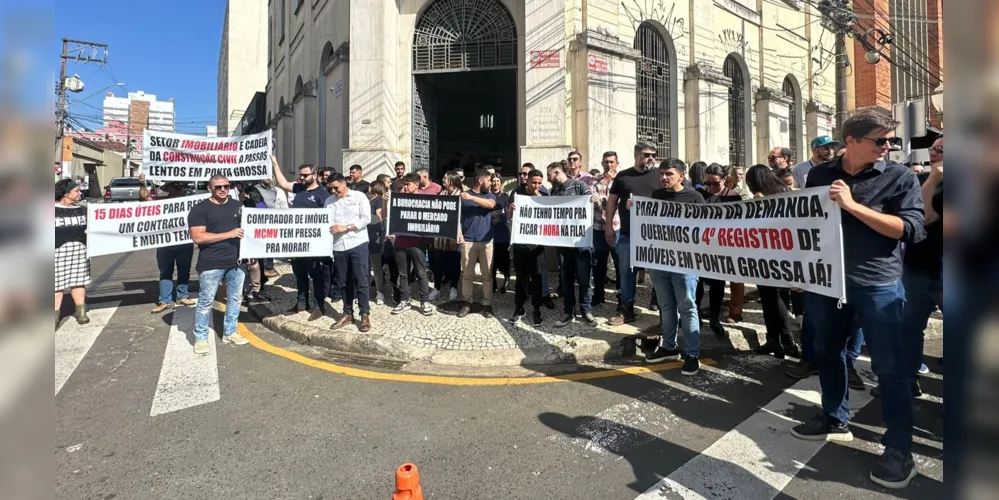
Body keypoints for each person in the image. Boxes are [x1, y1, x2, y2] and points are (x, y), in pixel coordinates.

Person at [790, 109, 925, 490]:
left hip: (878, 286)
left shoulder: (898, 177)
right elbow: (808, 223)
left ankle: (899, 450)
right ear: (851, 142)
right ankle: (834, 416)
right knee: (828, 352)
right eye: (879, 140)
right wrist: (799, 268)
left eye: (890, 141)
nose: (887, 148)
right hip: (829, 284)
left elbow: (910, 230)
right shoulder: (819, 175)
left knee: (890, 368)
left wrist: (852, 205)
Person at [874, 135, 943, 397]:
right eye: (934, 148)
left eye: (944, 149)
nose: (936, 153)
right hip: (917, 268)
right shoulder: (920, 180)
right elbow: (920, 217)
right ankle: (906, 379)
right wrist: (933, 179)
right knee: (909, 329)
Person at [644, 159, 704, 375]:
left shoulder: (694, 197)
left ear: (681, 175)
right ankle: (669, 347)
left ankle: (692, 354)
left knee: (687, 308)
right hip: (660, 261)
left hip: (685, 263)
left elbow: (703, 230)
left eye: (668, 173)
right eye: (661, 174)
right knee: (666, 307)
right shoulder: (657, 196)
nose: (664, 178)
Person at [743, 165, 801, 359]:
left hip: (774, 255)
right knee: (770, 299)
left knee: (775, 298)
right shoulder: (778, 194)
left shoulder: (775, 197)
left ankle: (787, 340)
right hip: (768, 255)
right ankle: (773, 340)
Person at [187, 175, 248, 355]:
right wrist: (229, 234)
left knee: (235, 299)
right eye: (218, 187)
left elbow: (248, 230)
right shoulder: (200, 209)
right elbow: (198, 236)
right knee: (206, 302)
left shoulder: (238, 206)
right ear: (209, 189)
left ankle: (230, 332)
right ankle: (201, 337)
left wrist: (250, 252)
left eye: (226, 186)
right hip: (211, 262)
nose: (223, 190)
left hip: (236, 261)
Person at [605, 142, 660, 325]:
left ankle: (662, 307)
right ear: (636, 155)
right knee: (627, 273)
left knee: (658, 273)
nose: (651, 158)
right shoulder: (623, 176)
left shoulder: (661, 175)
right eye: (646, 154)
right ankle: (626, 310)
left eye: (653, 154)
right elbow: (612, 201)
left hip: (655, 237)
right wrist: (609, 226)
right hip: (628, 235)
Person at [273, 159, 332, 321]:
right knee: (299, 273)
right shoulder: (299, 188)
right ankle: (301, 303)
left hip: (314, 244)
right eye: (300, 175)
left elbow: (328, 219)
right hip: (297, 242)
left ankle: (319, 305)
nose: (301, 178)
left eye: (305, 175)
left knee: (316, 275)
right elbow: (283, 183)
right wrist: (275, 163)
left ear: (314, 175)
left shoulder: (323, 194)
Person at [546, 162, 597, 328]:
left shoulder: (580, 185)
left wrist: (596, 201)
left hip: (582, 244)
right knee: (566, 279)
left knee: (584, 279)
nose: (548, 179)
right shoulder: (554, 191)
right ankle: (569, 312)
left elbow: (594, 207)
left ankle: (586, 311)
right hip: (563, 245)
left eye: (549, 175)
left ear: (558, 172)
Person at [138, 174, 196, 313]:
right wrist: (142, 184)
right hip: (165, 243)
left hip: (184, 241)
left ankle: (182, 295)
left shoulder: (190, 202)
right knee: (165, 272)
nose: (177, 190)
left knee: (184, 269)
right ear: (169, 189)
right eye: (174, 187)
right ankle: (165, 300)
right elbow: (145, 198)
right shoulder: (161, 202)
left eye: (179, 188)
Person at [325, 174, 373, 331]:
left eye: (335, 187)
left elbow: (366, 218)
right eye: (330, 188)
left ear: (344, 184)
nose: (333, 191)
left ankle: (364, 314)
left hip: (357, 242)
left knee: (361, 279)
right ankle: (347, 313)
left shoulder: (359, 197)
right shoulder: (329, 202)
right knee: (344, 282)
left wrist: (346, 227)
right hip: (338, 245)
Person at [695, 164, 738, 337]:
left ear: (725, 180)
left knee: (717, 285)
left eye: (715, 183)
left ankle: (714, 318)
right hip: (699, 246)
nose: (710, 187)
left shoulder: (733, 197)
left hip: (720, 247)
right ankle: (695, 315)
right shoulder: (699, 194)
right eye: (707, 182)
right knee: (696, 283)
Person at [506, 169, 548, 326]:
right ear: (528, 181)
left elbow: (549, 217)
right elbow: (509, 217)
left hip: (536, 246)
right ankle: (519, 308)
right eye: (534, 182)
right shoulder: (516, 193)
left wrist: (539, 200)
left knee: (536, 278)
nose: (536, 185)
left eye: (539, 183)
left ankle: (536, 309)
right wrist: (512, 209)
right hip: (520, 244)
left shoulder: (544, 196)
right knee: (520, 279)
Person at [389, 174, 434, 316]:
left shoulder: (425, 200)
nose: (406, 187)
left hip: (417, 243)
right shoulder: (398, 199)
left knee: (421, 273)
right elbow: (388, 216)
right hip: (400, 241)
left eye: (408, 184)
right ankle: (405, 300)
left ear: (416, 185)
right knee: (403, 274)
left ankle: (424, 301)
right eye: (404, 185)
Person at [455, 168, 498, 318]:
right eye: (488, 180)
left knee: (487, 275)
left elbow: (491, 205)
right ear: (481, 181)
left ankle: (487, 304)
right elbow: (458, 217)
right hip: (468, 241)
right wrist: (459, 233)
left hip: (487, 242)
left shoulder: (490, 195)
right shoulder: (462, 198)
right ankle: (467, 302)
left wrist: (472, 198)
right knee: (467, 274)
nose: (491, 183)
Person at [55, 179, 91, 326]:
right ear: (65, 193)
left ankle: (81, 311)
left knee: (79, 282)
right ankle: (55, 314)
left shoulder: (83, 209)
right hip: (56, 252)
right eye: (76, 191)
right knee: (55, 285)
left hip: (79, 251)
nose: (79, 193)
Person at [428, 171, 463, 302]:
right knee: (438, 264)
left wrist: (457, 234)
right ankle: (436, 288)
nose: (443, 179)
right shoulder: (440, 194)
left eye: (445, 178)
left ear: (452, 181)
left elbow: (460, 217)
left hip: (453, 236)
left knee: (453, 263)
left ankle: (453, 288)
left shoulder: (460, 196)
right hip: (439, 237)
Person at [591, 151, 620, 307]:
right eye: (606, 162)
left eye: (611, 162)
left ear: (617, 163)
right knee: (598, 263)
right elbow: (593, 199)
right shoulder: (595, 181)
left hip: (616, 227)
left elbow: (615, 204)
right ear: (602, 163)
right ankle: (598, 295)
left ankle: (622, 298)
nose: (609, 165)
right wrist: (601, 202)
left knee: (619, 263)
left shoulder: (621, 180)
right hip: (598, 227)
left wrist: (602, 202)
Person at [488, 174, 511, 295]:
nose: (496, 183)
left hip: (502, 231)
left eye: (498, 181)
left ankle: (506, 279)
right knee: (492, 259)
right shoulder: (487, 196)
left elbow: (509, 213)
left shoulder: (506, 197)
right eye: (493, 181)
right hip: (490, 231)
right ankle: (493, 282)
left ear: (501, 183)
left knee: (504, 258)